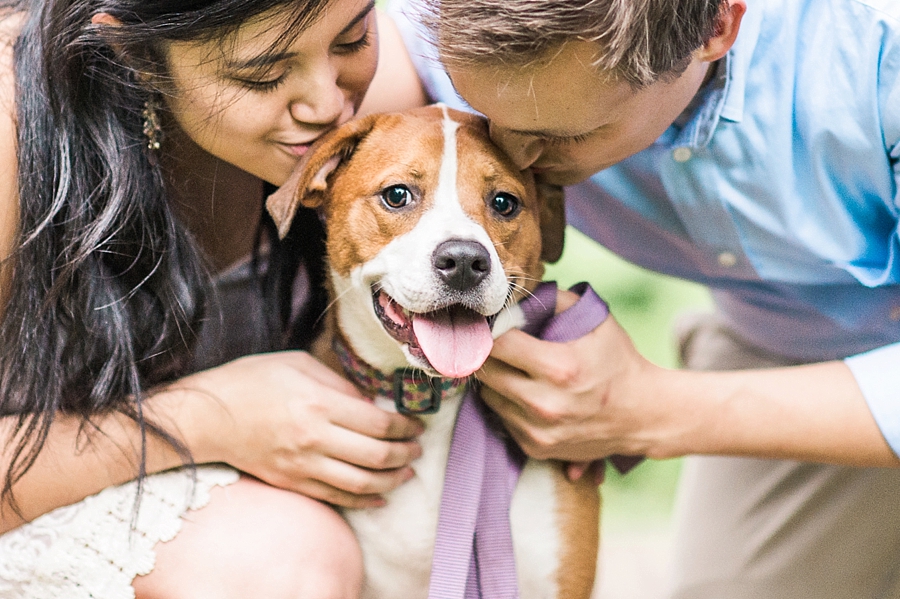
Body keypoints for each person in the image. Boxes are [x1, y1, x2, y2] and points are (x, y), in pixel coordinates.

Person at [387, 0, 900, 597]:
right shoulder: (437, 30)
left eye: (563, 135)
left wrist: (652, 408)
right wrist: (248, 405)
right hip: (788, 342)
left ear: (716, 27)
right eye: (485, 112)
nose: (517, 162)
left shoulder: (877, 54)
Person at [0, 0, 427, 597]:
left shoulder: (379, 105)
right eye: (263, 75)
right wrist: (205, 419)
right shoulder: (12, 135)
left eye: (353, 38)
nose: (329, 104)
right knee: (285, 561)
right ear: (138, 55)